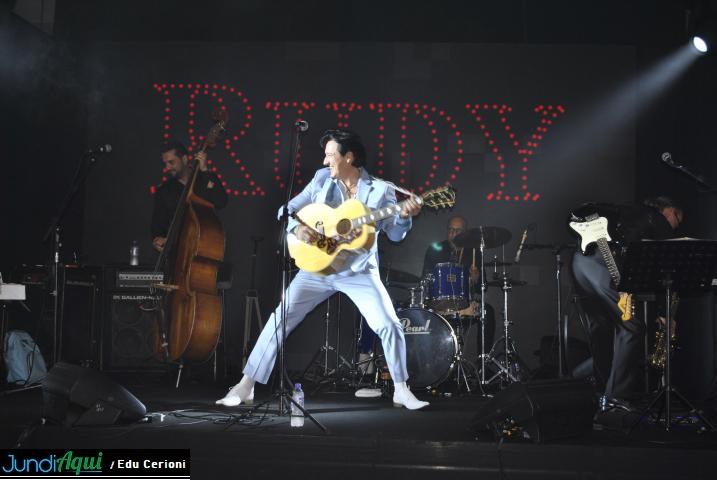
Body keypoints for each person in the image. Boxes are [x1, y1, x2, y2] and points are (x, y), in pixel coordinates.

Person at [216, 129, 429, 410]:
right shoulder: (320, 179)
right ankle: (246, 385)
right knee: (280, 319)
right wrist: (299, 228)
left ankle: (401, 390)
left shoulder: (381, 190)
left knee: (389, 325)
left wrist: (404, 217)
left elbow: (396, 235)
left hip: (359, 272)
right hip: (317, 268)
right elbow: (286, 211)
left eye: (330, 155)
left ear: (349, 157)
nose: (325, 160)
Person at [571, 196, 682, 409]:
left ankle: (585, 382)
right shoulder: (657, 219)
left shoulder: (625, 210)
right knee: (633, 328)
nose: (675, 227)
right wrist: (665, 312)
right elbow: (666, 266)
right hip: (604, 264)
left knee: (602, 329)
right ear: (669, 211)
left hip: (581, 261)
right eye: (677, 220)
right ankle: (616, 396)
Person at [421, 215, 495, 358]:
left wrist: (476, 279)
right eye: (451, 230)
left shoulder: (474, 253)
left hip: (465, 304)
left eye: (458, 231)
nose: (454, 234)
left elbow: (483, 287)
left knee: (488, 311)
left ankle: (483, 362)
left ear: (465, 233)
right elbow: (424, 279)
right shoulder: (435, 249)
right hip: (439, 304)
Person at [151, 140, 228, 251]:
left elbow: (221, 202)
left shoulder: (205, 178)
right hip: (175, 253)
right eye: (165, 163)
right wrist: (157, 240)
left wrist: (205, 171)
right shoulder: (164, 190)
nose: (167, 167)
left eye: (171, 162)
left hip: (203, 248)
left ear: (184, 159)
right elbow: (157, 224)